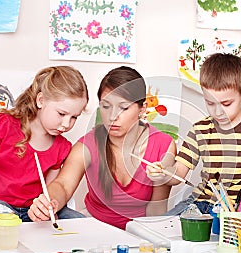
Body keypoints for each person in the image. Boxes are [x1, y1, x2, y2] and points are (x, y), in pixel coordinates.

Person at [28, 66, 176, 229]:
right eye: (106, 106)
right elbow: (63, 185)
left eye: (123, 108)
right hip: (95, 230)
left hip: (139, 233)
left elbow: (156, 209)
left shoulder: (164, 146)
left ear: (143, 109)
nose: (113, 116)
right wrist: (51, 201)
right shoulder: (87, 144)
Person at [147, 53, 241, 215]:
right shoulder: (199, 130)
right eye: (210, 103)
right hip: (205, 204)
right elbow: (178, 173)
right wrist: (162, 174)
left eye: (226, 103)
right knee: (164, 228)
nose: (218, 111)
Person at [0, 66, 89, 222]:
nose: (66, 124)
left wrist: (48, 208)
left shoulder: (62, 147)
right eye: (62, 114)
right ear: (41, 100)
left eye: (74, 117)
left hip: (32, 212)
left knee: (78, 221)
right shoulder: (5, 125)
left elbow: (51, 188)